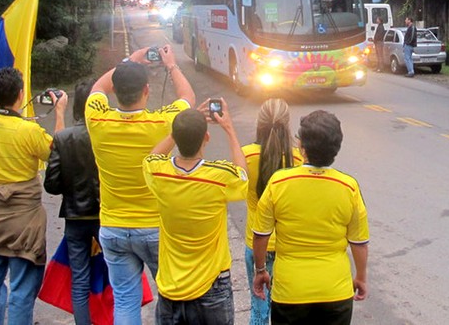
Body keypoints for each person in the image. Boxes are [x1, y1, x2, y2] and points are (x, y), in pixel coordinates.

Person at [85, 45, 195, 324]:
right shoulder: (162, 122)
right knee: (170, 295)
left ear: (117, 91)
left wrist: (131, 60)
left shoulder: (97, 118)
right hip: (155, 229)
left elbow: (99, 85)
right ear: (147, 90)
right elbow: (187, 98)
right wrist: (172, 65)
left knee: (124, 299)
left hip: (113, 228)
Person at [0, 67, 68, 325]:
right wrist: (59, 112)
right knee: (22, 284)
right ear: (20, 94)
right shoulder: (28, 131)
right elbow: (58, 154)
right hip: (25, 222)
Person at [252, 110, 369, 325]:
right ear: (337, 148)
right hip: (336, 292)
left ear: (301, 147)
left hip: (290, 292)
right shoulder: (348, 187)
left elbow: (261, 235)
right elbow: (359, 242)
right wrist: (360, 276)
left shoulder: (279, 183)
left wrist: (260, 271)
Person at [142, 100, 248, 325]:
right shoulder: (219, 177)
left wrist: (176, 132)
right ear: (206, 138)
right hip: (212, 287)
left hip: (171, 288)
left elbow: (151, 157)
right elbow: (242, 176)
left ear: (176, 138)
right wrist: (229, 129)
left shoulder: (159, 174)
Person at [242, 98, 303, 325]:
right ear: (288, 125)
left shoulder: (246, 155)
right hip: (288, 247)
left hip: (256, 243)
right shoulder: (298, 159)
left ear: (260, 123)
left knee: (258, 310)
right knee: (286, 311)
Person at [44, 78, 99, 325]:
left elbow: (52, 185)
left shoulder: (64, 138)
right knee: (118, 278)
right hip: (105, 216)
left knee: (80, 281)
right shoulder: (106, 135)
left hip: (75, 217)